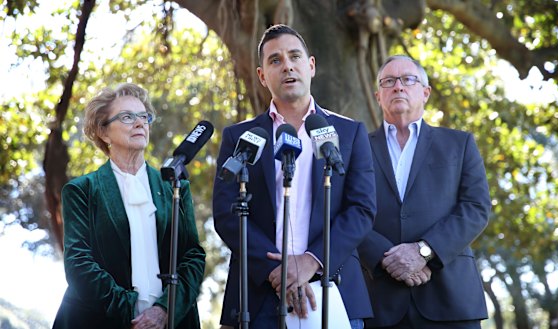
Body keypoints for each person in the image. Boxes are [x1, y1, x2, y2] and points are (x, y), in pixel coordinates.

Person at [213, 24, 376, 329]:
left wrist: (310, 261)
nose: (287, 65)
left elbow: (361, 210)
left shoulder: (349, 132)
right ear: (262, 76)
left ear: (310, 65)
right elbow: (226, 214)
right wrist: (280, 273)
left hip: (334, 290)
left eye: (294, 56)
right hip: (257, 293)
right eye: (275, 60)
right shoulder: (240, 137)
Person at [52, 83, 206, 329]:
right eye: (127, 117)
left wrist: (164, 310)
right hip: (98, 321)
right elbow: (78, 263)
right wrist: (131, 310)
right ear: (103, 132)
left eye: (144, 117)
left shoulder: (175, 187)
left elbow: (193, 257)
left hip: (171, 323)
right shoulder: (81, 191)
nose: (139, 123)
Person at [357, 54, 491, 329]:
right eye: (389, 81)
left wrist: (424, 251)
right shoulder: (355, 148)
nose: (398, 87)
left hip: (450, 299)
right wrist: (387, 260)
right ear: (378, 96)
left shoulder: (460, 143)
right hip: (380, 302)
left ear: (425, 92)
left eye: (408, 79)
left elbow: (475, 208)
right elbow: (346, 210)